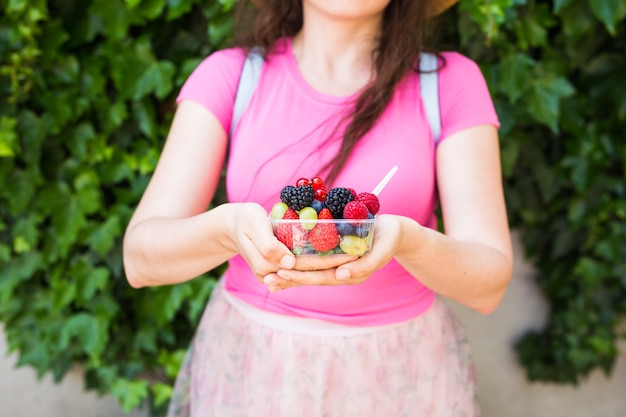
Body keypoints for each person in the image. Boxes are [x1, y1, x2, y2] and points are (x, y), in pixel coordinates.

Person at [123, 0, 513, 415]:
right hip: (258, 369)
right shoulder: (231, 76)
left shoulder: (449, 84)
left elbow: (487, 287)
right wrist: (226, 229)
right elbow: (140, 260)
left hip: (397, 372)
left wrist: (407, 241)